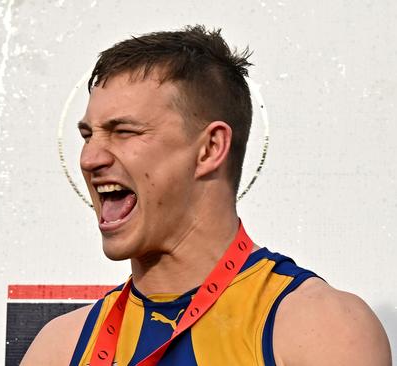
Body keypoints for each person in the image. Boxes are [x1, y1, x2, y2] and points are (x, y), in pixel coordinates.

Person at [21, 25, 391, 365]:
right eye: (88, 135)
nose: (90, 158)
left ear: (210, 148)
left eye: (124, 132)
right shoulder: (60, 348)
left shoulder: (318, 329)